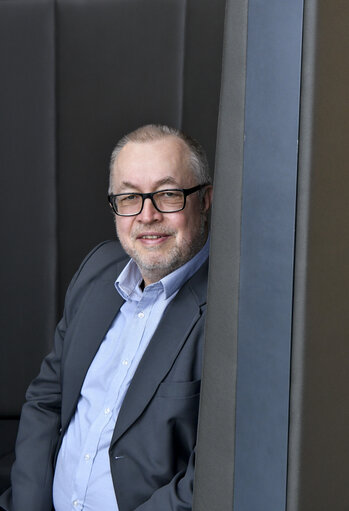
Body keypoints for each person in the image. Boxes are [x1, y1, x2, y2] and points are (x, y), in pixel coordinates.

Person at [0, 124, 213, 511]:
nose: (147, 216)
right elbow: (46, 401)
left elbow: (210, 478)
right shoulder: (98, 269)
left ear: (205, 200)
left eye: (167, 194)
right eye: (130, 197)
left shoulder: (229, 313)